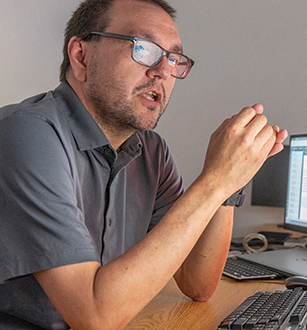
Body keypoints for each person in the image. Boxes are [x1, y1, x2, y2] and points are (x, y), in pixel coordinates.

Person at [0, 0, 287, 329]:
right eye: (144, 48)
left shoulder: (151, 151)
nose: (163, 71)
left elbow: (198, 283)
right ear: (81, 56)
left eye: (174, 58)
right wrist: (215, 181)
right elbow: (94, 316)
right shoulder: (26, 134)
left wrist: (232, 181)